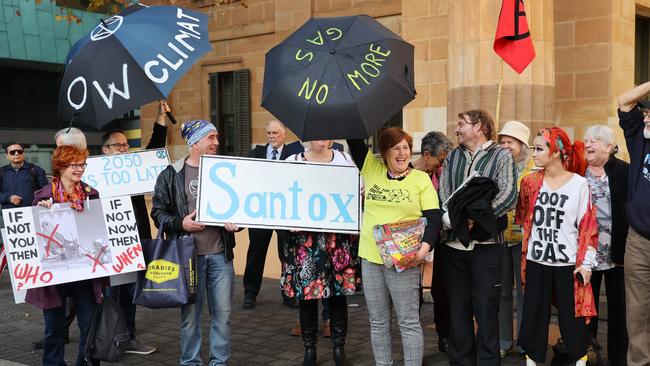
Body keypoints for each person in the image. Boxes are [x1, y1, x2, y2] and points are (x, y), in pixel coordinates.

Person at [347, 128, 442, 366]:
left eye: (406, 147)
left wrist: (424, 249)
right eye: (396, 147)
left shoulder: (420, 179)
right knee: (378, 322)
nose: (402, 153)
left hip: (405, 262)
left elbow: (434, 217)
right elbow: (354, 139)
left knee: (408, 322)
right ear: (384, 152)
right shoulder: (372, 169)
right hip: (371, 259)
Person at [151, 119, 240, 366]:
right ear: (195, 142)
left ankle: (219, 362)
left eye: (216, 137)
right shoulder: (170, 175)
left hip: (221, 255)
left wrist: (237, 223)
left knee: (223, 315)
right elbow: (158, 212)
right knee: (190, 316)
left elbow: (239, 209)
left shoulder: (226, 171)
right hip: (188, 257)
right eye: (211, 138)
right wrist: (182, 223)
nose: (217, 143)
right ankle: (190, 362)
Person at [438, 110, 517, 366]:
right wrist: (459, 218)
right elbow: (444, 195)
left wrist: (476, 217)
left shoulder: (501, 155)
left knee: (486, 311)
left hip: (487, 248)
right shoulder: (452, 157)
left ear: (479, 127)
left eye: (462, 124)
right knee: (458, 312)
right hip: (453, 247)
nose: (457, 129)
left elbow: (507, 195)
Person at [516, 127, 596, 366]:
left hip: (567, 263)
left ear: (556, 152)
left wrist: (587, 264)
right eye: (534, 147)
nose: (534, 153)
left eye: (539, 148)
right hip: (536, 261)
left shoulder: (579, 185)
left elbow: (589, 227)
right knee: (533, 316)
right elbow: (523, 217)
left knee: (572, 318)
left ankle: (579, 359)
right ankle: (532, 360)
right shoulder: (530, 182)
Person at [281, 140, 361, 366]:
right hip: (305, 241)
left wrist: (359, 189)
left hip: (337, 240)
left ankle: (338, 347)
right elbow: (280, 197)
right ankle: (309, 349)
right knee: (307, 296)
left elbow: (357, 189)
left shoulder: (344, 159)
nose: (321, 138)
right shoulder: (292, 162)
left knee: (337, 295)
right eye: (316, 134)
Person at [99, 100, 170, 355]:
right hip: (110, 243)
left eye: (125, 144)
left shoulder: (133, 169)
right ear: (105, 150)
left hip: (135, 239)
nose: (123, 149)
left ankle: (126, 336)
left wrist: (161, 117)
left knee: (130, 291)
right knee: (110, 293)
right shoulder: (94, 174)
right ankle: (109, 337)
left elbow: (155, 148)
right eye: (118, 145)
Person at [28, 145, 102, 366]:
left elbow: (99, 230)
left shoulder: (91, 194)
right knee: (54, 327)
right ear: (60, 167)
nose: (80, 169)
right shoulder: (44, 196)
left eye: (82, 164)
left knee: (89, 326)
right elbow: (32, 233)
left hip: (85, 273)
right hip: (54, 276)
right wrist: (41, 210)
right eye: (74, 164)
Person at [243, 120, 304, 309]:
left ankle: (288, 293)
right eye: (269, 133)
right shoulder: (256, 154)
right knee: (256, 253)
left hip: (285, 213)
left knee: (286, 255)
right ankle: (250, 293)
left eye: (276, 133)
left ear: (284, 134)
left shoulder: (294, 155)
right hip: (261, 212)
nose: (272, 136)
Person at [583, 125, 629, 366]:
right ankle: (588, 352)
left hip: (617, 253)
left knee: (619, 309)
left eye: (594, 141)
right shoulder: (578, 173)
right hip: (587, 256)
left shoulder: (623, 172)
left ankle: (619, 357)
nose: (588, 145)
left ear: (609, 147)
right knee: (588, 308)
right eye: (586, 140)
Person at [411, 131, 454, 354]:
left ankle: (444, 335)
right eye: (441, 160)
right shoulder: (407, 172)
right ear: (427, 155)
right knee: (412, 296)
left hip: (438, 240)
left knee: (441, 290)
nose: (442, 165)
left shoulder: (441, 175)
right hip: (411, 243)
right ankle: (413, 342)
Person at [617, 82, 650, 366]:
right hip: (639, 239)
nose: (645, 116)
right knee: (637, 311)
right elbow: (625, 101)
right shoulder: (640, 138)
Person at [496, 120, 534, 358]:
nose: (505, 146)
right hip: (500, 235)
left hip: (524, 238)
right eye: (502, 142)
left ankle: (524, 340)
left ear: (521, 144)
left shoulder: (533, 169)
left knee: (523, 291)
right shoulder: (498, 165)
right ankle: (503, 339)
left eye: (510, 142)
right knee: (501, 291)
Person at [1, 142, 49, 211]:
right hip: (9, 214)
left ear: (23, 153)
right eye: (12, 152)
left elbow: (46, 190)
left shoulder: (35, 169)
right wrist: (8, 198)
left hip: (32, 211)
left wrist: (46, 201)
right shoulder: (2, 172)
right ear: (7, 155)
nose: (16, 153)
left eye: (19, 151)